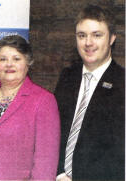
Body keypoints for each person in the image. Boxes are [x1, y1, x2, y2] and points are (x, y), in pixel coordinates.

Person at [0, 35, 60, 180]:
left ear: (28, 62)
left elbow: (46, 161)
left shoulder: (44, 101)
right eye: (3, 59)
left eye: (16, 59)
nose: (9, 64)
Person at [55, 5, 125, 181]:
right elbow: (56, 133)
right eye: (82, 35)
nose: (88, 43)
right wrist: (58, 174)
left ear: (112, 39)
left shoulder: (123, 83)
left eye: (97, 35)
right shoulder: (67, 77)